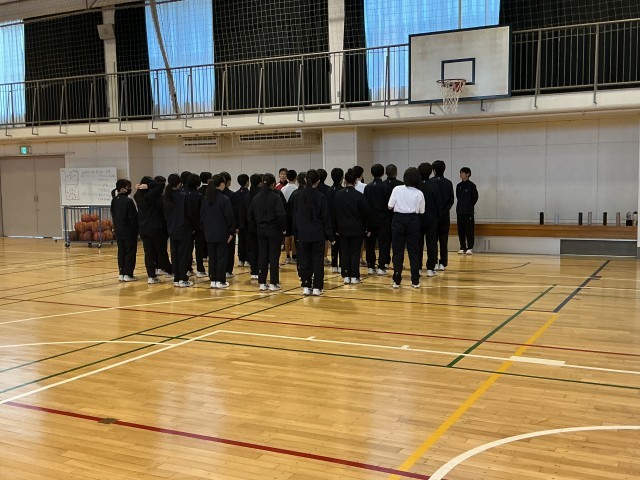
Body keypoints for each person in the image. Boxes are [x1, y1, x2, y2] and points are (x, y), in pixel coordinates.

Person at [292, 169, 333, 296]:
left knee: (304, 260)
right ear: (318, 181)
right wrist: (330, 236)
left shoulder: (297, 196)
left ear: (305, 179)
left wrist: (296, 233)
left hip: (303, 233)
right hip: (317, 233)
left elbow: (295, 217)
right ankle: (317, 287)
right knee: (318, 261)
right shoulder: (320, 196)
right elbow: (325, 217)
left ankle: (306, 285)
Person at [248, 173, 287, 292]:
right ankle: (274, 283)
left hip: (261, 230)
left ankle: (262, 282)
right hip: (274, 230)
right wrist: (283, 228)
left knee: (262, 255)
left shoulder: (256, 198)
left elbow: (250, 216)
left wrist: (256, 228)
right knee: (274, 257)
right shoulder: (276, 197)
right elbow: (281, 214)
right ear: (273, 184)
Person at [388, 167, 425, 289]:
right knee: (413, 251)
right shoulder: (419, 193)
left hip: (398, 220)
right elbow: (422, 211)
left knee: (397, 250)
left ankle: (396, 279)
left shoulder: (397, 189)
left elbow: (390, 206)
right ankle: (415, 280)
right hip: (413, 220)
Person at [334, 169, 370, 284]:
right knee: (355, 252)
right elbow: (366, 213)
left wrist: (335, 228)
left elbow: (334, 212)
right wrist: (366, 227)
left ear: (345, 180)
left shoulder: (338, 195)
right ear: (355, 181)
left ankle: (345, 275)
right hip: (357, 228)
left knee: (344, 252)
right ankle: (354, 276)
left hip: (342, 228)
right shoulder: (359, 196)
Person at [134, 176, 171, 284]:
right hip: (156, 228)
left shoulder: (137, 195)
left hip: (143, 228)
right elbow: (161, 185)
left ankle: (151, 275)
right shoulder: (152, 195)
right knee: (161, 251)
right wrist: (150, 185)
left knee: (149, 253)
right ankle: (167, 269)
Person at [201, 174, 235, 289]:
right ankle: (220, 280)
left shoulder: (206, 198)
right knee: (221, 257)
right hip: (221, 232)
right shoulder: (224, 199)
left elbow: (202, 217)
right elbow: (229, 217)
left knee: (212, 257)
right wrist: (231, 231)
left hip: (209, 233)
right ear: (221, 184)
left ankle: (213, 280)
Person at [163, 173, 194, 287]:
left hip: (171, 228)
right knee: (183, 255)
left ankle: (177, 278)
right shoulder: (183, 196)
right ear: (179, 183)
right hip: (184, 228)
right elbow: (189, 214)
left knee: (174, 254)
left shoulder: (166, 197)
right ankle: (182, 278)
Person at [363, 163, 391, 276]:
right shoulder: (386, 187)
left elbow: (365, 204)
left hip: (370, 220)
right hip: (383, 219)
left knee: (370, 244)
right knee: (383, 243)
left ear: (371, 173)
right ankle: (381, 266)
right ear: (383, 173)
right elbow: (389, 204)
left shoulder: (367, 187)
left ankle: (370, 266)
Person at [111, 179, 138, 282]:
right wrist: (137, 229)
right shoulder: (128, 201)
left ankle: (121, 273)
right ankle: (128, 274)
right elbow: (133, 217)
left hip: (118, 230)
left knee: (121, 251)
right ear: (122, 188)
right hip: (129, 230)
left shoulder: (114, 200)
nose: (129, 189)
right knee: (130, 252)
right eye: (128, 187)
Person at [431, 160, 454, 271]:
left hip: (433, 216)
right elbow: (451, 200)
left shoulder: (430, 182)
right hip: (445, 216)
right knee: (443, 241)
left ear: (434, 170)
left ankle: (434, 262)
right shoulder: (448, 183)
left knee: (433, 241)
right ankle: (443, 263)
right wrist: (444, 211)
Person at [417, 163, 440, 277]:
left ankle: (418, 268)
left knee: (418, 244)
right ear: (431, 172)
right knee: (432, 244)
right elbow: (438, 203)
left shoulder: (416, 185)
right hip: (431, 219)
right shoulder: (434, 185)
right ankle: (430, 269)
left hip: (418, 218)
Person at [186, 173, 206, 277]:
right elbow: (202, 212)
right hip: (198, 226)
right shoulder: (199, 196)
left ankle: (188, 268)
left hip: (186, 226)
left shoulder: (183, 195)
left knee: (188, 248)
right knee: (199, 248)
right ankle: (200, 269)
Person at [325, 167, 344, 273]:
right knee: (342, 245)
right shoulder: (342, 191)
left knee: (333, 243)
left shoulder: (328, 191)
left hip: (330, 221)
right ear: (342, 178)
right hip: (341, 221)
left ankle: (334, 265)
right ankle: (341, 265)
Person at [456, 167, 479, 255]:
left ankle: (470, 247)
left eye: (462, 173)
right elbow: (458, 196)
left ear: (468, 174)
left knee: (469, 230)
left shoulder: (472, 185)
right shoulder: (459, 186)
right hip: (460, 211)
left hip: (468, 212)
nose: (461, 174)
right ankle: (462, 247)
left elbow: (475, 197)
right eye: (460, 173)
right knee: (460, 230)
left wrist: (469, 205)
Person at [232, 174, 252, 267]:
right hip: (247, 222)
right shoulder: (249, 194)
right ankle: (248, 259)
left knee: (240, 241)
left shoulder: (235, 194)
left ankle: (241, 259)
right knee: (248, 241)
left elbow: (234, 210)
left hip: (239, 222)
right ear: (247, 182)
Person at [220, 171, 236, 278]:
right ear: (228, 182)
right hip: (228, 227)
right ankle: (228, 270)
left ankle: (217, 271)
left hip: (216, 227)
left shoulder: (210, 195)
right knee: (229, 250)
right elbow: (233, 213)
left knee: (218, 251)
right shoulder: (231, 195)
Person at [247, 173, 263, 279]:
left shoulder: (248, 193)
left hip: (250, 226)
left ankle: (253, 271)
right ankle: (259, 270)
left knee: (252, 249)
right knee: (260, 249)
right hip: (260, 226)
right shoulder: (260, 195)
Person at [280, 169, 298, 264]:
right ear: (295, 178)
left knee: (287, 236)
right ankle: (294, 255)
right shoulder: (297, 189)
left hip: (286, 214)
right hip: (294, 214)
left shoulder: (283, 189)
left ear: (287, 177)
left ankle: (287, 256)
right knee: (294, 235)